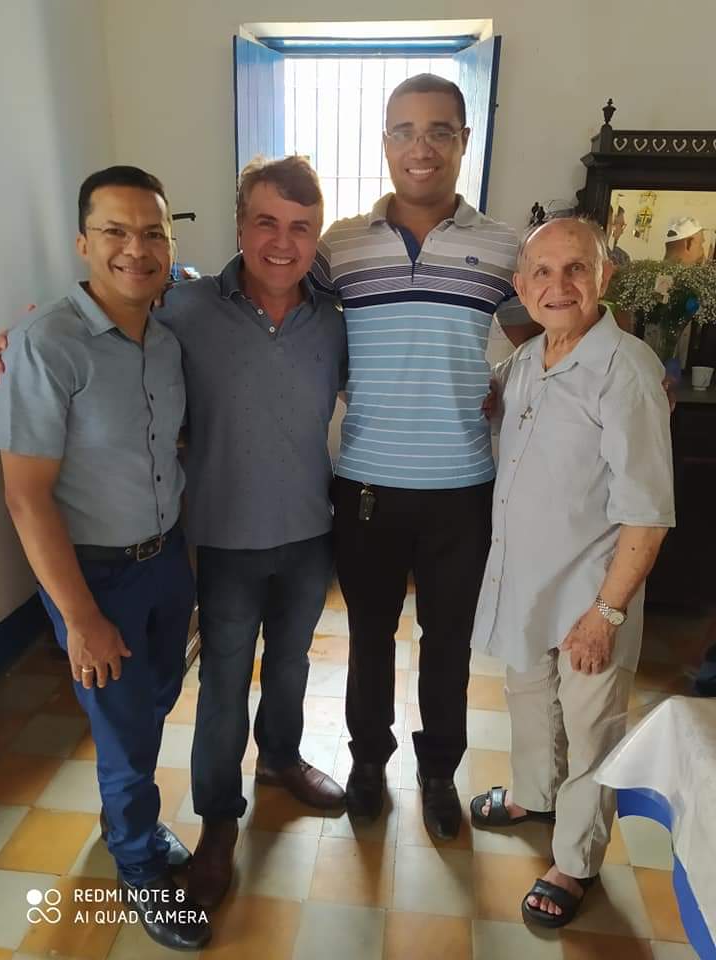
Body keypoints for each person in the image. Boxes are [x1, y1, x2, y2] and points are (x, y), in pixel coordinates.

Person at [312, 73, 540, 840]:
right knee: (369, 639)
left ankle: (439, 771)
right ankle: (368, 763)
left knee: (446, 644)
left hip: (463, 491)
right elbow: (264, 310)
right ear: (384, 143)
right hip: (367, 485)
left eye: (440, 130)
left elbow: (548, 342)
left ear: (464, 142)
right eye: (405, 130)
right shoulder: (337, 246)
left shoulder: (505, 247)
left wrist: (634, 374)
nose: (422, 146)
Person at [0, 166, 211, 951]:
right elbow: (25, 497)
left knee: (150, 702)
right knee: (121, 729)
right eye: (115, 232)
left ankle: (133, 828)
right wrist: (81, 618)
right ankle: (138, 865)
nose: (135, 248)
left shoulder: (166, 333)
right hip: (93, 575)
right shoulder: (46, 344)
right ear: (83, 243)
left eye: (152, 232)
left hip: (162, 560)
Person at [470, 217, 674, 927]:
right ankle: (534, 794)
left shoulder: (628, 371)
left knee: (592, 731)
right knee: (529, 699)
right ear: (523, 288)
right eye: (543, 274)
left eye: (576, 269)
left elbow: (649, 513)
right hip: (527, 585)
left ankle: (576, 859)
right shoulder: (529, 360)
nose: (560, 286)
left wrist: (608, 612)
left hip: (592, 593)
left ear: (605, 277)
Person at [155, 156, 347, 910]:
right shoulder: (186, 310)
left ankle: (283, 760)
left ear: (316, 235)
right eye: (266, 221)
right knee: (224, 683)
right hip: (227, 538)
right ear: (240, 225)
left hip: (309, 530)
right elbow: (111, 339)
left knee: (293, 663)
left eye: (300, 227)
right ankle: (217, 823)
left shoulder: (334, 321)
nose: (281, 241)